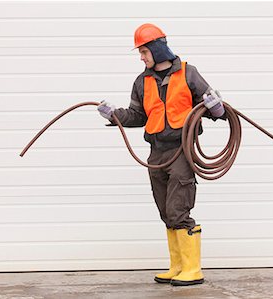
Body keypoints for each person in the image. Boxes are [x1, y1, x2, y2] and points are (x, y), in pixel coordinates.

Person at [97, 23, 226, 286]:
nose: (141, 57)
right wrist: (115, 115)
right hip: (156, 153)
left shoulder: (189, 74)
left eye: (143, 51)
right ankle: (177, 266)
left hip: (181, 151)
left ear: (157, 48)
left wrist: (217, 108)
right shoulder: (141, 82)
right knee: (165, 211)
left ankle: (192, 269)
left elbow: (213, 108)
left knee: (178, 209)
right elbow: (138, 115)